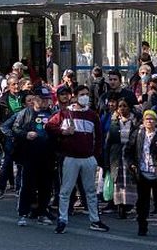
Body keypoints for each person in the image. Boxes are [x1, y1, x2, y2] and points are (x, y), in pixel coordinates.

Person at [46, 84, 108, 234]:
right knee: (65, 191)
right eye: (82, 94)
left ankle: (95, 220)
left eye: (87, 94)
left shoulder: (93, 115)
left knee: (90, 192)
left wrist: (95, 156)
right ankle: (63, 220)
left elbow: (99, 138)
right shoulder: (65, 113)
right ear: (75, 96)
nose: (85, 97)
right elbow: (49, 126)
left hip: (88, 159)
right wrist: (63, 131)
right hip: (70, 158)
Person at [11, 87, 56, 226]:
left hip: (47, 156)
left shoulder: (52, 113)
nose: (45, 102)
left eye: (47, 99)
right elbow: (15, 128)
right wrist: (26, 134)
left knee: (46, 186)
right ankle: (23, 213)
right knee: (27, 186)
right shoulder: (25, 113)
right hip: (29, 156)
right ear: (35, 98)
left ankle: (42, 212)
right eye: (42, 99)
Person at [131, 110, 157, 236]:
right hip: (142, 173)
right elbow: (128, 150)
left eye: (152, 119)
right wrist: (132, 165)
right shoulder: (138, 133)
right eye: (147, 119)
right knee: (142, 203)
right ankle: (142, 227)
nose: (149, 121)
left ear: (156, 121)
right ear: (143, 121)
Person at [106, 99, 139, 218]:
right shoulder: (115, 122)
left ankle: (131, 206)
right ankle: (120, 208)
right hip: (117, 157)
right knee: (119, 183)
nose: (122, 108)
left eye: (125, 106)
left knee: (131, 182)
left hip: (130, 156)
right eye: (120, 106)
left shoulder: (135, 122)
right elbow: (108, 142)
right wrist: (106, 161)